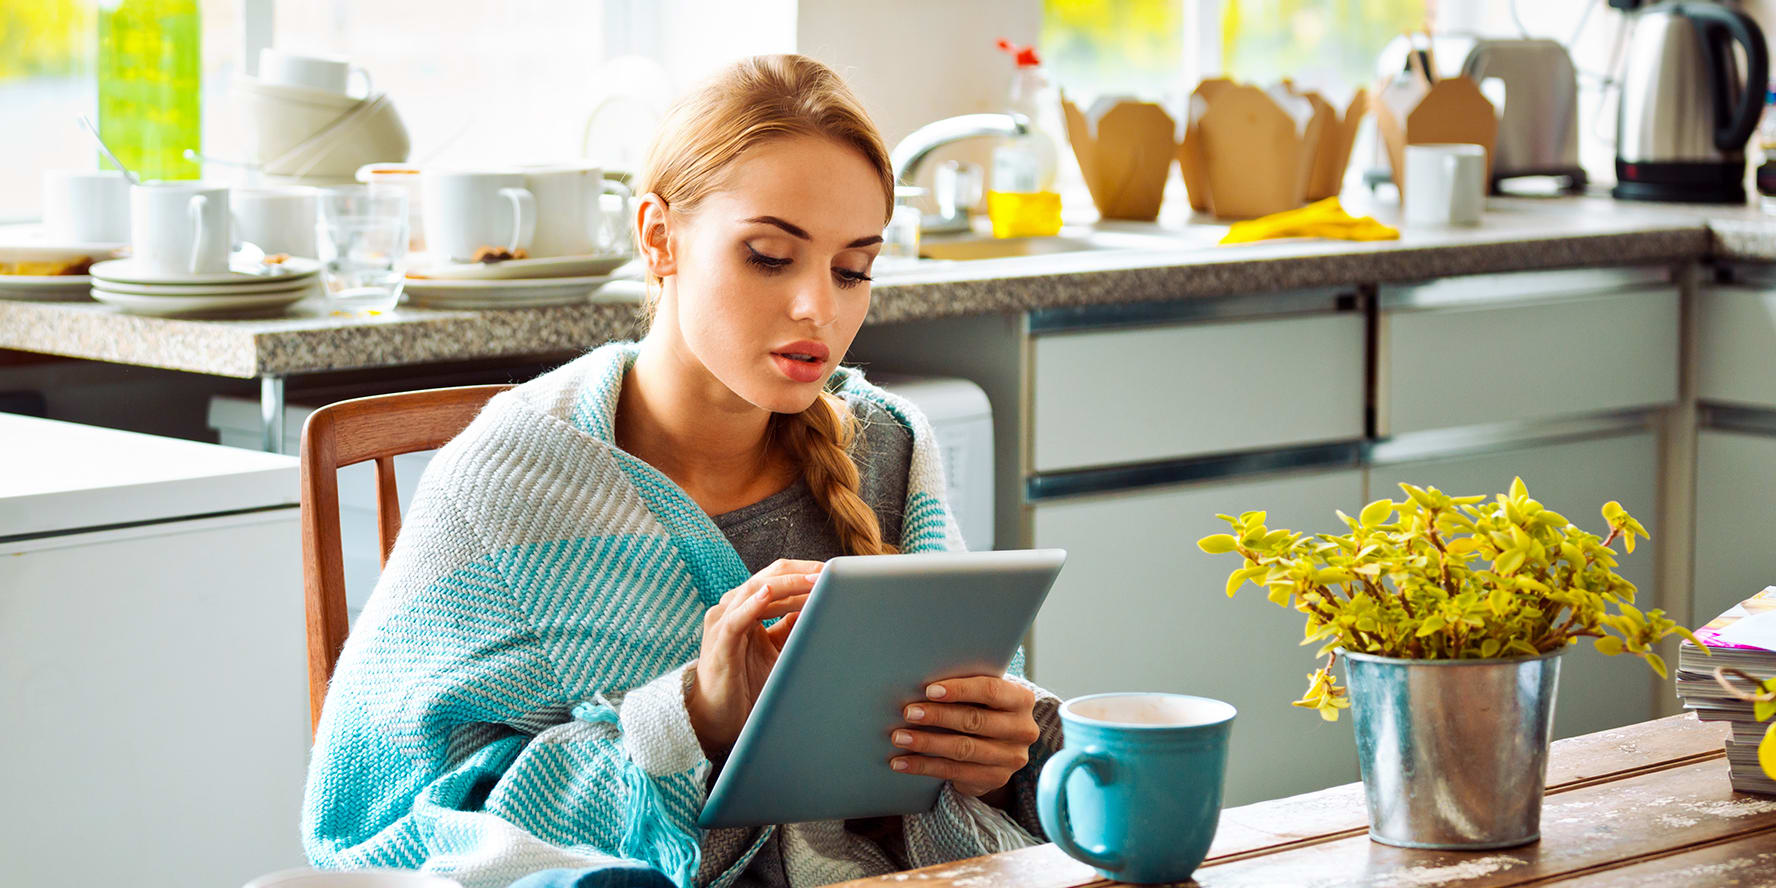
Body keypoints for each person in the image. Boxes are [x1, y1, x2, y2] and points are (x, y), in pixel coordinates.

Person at [301, 54, 1065, 888]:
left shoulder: (887, 447)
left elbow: (997, 760)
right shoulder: (505, 484)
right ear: (659, 238)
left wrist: (994, 758)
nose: (820, 308)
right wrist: (691, 721)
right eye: (771, 256)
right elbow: (387, 823)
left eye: (854, 270)